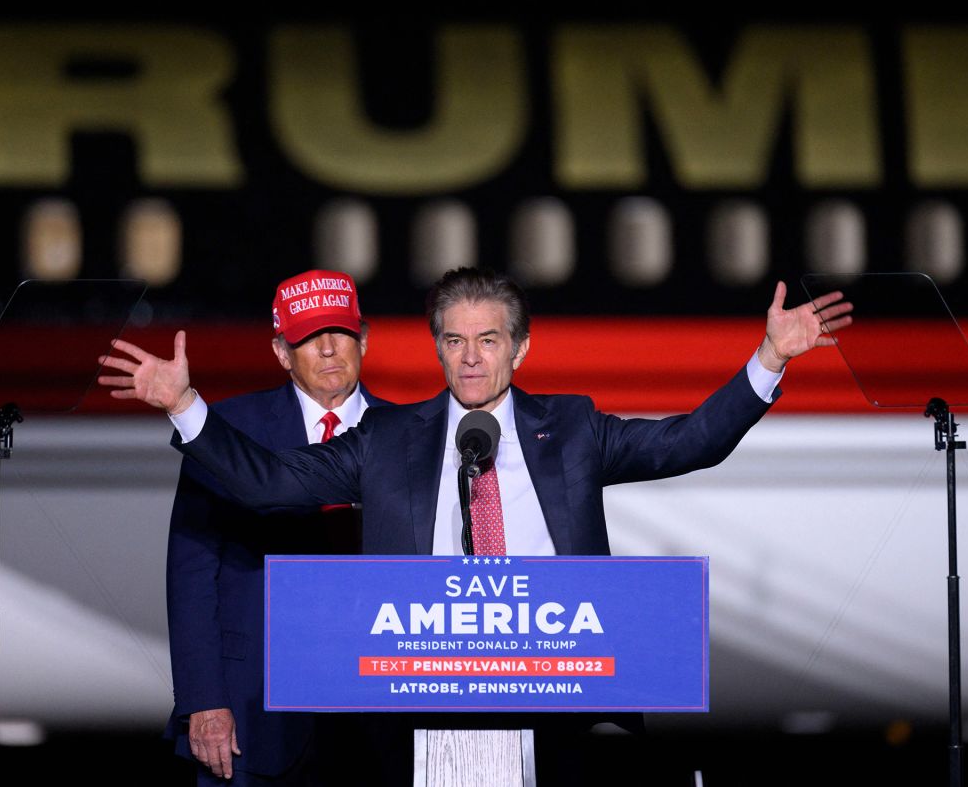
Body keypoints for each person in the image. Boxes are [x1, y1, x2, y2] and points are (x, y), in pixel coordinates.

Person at [100, 267, 851, 783]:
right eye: (454, 341)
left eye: (488, 339)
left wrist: (767, 360)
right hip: (420, 705)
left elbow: (687, 442)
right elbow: (268, 485)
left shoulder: (573, 427)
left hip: (557, 697)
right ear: (436, 348)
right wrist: (184, 406)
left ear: (519, 348)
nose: (470, 357)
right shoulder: (391, 439)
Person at [160, 269, 389, 787]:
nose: (328, 349)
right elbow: (191, 572)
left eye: (340, 333)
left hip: (376, 715)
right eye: (309, 337)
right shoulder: (224, 431)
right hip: (250, 709)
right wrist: (204, 700)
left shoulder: (411, 431)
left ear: (365, 340)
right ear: (282, 352)